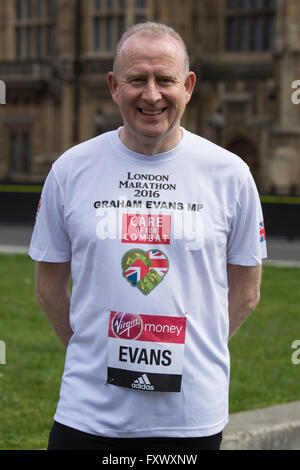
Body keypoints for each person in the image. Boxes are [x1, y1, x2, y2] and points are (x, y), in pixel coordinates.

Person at [28, 22, 267, 451]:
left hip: (189, 418)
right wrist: (91, 350)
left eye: (165, 80)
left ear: (188, 85)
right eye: (137, 80)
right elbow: (48, 287)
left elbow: (247, 292)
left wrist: (195, 350)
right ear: (113, 86)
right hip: (87, 414)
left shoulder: (230, 174)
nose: (152, 94)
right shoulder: (70, 169)